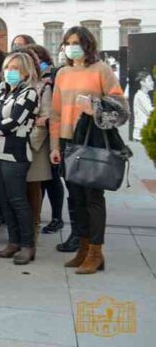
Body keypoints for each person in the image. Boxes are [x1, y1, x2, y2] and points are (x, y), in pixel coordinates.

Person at [49, 26, 128, 271]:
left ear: (88, 44)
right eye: (68, 42)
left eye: (77, 42)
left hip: (92, 139)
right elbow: (55, 112)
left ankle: (96, 252)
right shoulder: (62, 73)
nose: (72, 46)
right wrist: (54, 146)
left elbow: (121, 107)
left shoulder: (101, 70)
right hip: (68, 140)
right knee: (75, 198)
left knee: (93, 197)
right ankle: (83, 248)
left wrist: (95, 106)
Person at [0, 52, 40, 265]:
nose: (9, 72)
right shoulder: (2, 90)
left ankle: (27, 245)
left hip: (16, 154)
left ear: (25, 70)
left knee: (18, 200)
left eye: (14, 68)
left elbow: (14, 122)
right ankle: (13, 241)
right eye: (7, 67)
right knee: (3, 199)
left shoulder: (29, 93)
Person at [21, 47, 53, 244]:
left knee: (32, 187)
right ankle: (19, 229)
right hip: (11, 146)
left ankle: (33, 227)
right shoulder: (6, 86)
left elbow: (45, 118)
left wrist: (28, 144)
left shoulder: (43, 87)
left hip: (33, 145)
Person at [133, 72, 154, 141]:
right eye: (150, 80)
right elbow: (151, 112)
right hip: (141, 133)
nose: (152, 82)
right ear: (142, 83)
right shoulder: (140, 96)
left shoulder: (144, 96)